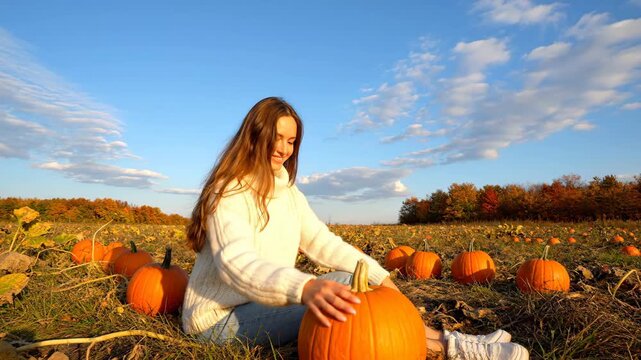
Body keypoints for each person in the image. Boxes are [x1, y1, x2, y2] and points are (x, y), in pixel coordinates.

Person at [182, 97, 529, 359]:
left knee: (355, 285)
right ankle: (447, 348)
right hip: (218, 322)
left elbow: (321, 241)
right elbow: (236, 263)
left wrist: (380, 276)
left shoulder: (285, 190)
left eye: (291, 141)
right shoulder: (229, 190)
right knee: (347, 295)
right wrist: (306, 288)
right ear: (255, 133)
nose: (284, 148)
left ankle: (441, 340)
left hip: (257, 306)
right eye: (278, 136)